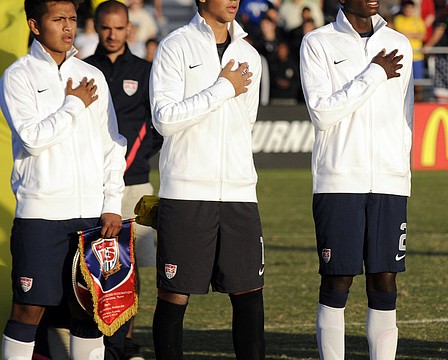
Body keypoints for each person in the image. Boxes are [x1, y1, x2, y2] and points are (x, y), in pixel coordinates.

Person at [0, 0, 126, 359]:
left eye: (72, 19)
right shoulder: (18, 75)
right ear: (35, 25)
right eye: (58, 19)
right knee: (28, 312)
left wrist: (112, 204)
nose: (68, 27)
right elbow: (33, 139)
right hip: (40, 217)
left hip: (90, 219)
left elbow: (111, 145)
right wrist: (72, 105)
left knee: (89, 313)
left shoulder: (93, 76)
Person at [149, 0, 265, 358]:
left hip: (240, 193)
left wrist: (225, 91)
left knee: (249, 294)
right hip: (186, 191)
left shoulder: (249, 54)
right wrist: (223, 88)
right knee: (174, 295)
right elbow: (164, 119)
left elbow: (245, 122)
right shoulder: (175, 46)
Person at [299, 0, 414, 356]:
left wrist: (399, 169)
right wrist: (374, 72)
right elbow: (322, 112)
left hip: (389, 182)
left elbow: (404, 115)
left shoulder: (401, 43)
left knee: (385, 280)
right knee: (338, 279)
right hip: (339, 181)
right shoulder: (318, 42)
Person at [84, 1, 162, 359]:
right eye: (106, 28)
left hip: (136, 183)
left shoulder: (147, 71)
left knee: (131, 265)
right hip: (91, 185)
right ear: (96, 27)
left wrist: (139, 157)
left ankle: (124, 336)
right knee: (92, 262)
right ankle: (93, 333)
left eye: (119, 28)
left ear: (129, 29)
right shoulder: (83, 70)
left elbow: (158, 125)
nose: (113, 35)